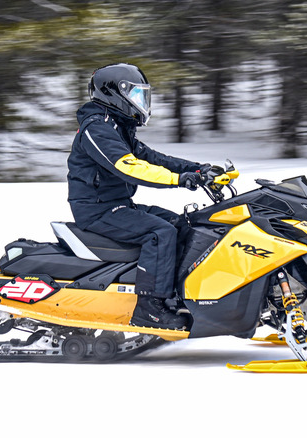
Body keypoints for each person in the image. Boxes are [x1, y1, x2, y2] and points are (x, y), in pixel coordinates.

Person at [66, 63, 208, 330]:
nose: (141, 102)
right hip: (96, 211)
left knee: (183, 224)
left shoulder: (117, 127)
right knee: (160, 233)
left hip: (118, 205)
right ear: (114, 93)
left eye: (143, 96)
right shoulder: (95, 128)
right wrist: (180, 180)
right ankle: (149, 308)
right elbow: (129, 166)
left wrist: (199, 169)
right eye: (136, 95)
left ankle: (176, 295)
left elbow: (153, 158)